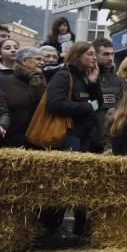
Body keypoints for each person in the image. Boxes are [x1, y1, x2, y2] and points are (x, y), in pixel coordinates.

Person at [46, 41, 102, 236]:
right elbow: (54, 104)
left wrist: (94, 83)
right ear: (77, 56)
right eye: (90, 54)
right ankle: (53, 226)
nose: (94, 58)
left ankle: (80, 225)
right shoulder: (63, 76)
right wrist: (85, 108)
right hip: (69, 135)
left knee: (82, 182)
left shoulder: (86, 78)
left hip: (86, 136)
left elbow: (98, 103)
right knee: (67, 181)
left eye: (95, 54)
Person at [0, 47, 46, 147]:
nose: (42, 63)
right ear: (25, 61)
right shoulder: (4, 82)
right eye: (38, 59)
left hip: (37, 140)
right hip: (8, 141)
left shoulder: (42, 82)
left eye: (43, 60)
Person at [92, 37, 123, 153]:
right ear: (95, 55)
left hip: (112, 137)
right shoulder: (87, 75)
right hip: (91, 136)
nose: (110, 58)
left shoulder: (116, 78)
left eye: (112, 54)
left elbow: (121, 104)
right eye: (105, 54)